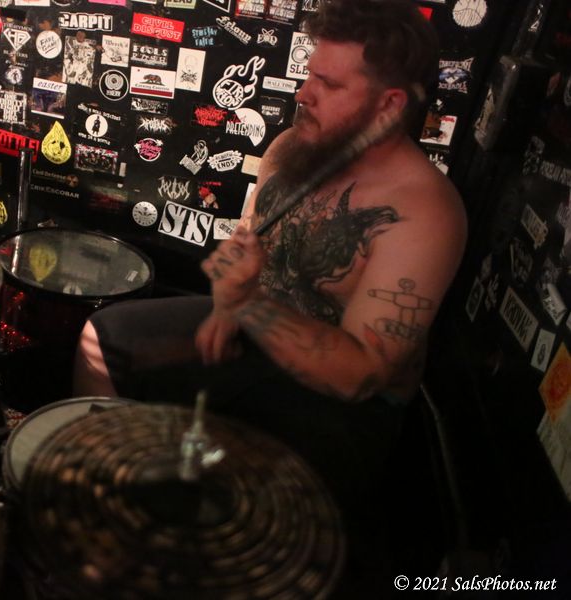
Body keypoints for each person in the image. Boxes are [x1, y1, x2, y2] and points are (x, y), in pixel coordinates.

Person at [73, 0, 466, 583]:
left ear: (389, 106)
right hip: (255, 335)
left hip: (343, 407)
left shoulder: (424, 210)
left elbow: (361, 375)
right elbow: (251, 241)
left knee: (236, 506)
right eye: (309, 74)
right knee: (103, 339)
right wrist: (227, 307)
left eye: (329, 84)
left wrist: (244, 304)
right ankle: (95, 509)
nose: (305, 93)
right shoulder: (294, 147)